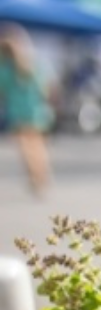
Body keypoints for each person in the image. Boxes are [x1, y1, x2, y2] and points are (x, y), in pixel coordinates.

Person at [0, 25, 53, 196]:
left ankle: (35, 177)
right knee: (37, 145)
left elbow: (3, 91)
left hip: (19, 113)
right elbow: (45, 88)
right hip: (37, 111)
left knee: (25, 147)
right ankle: (41, 175)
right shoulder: (33, 64)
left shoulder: (6, 69)